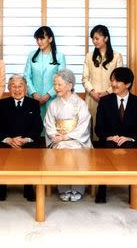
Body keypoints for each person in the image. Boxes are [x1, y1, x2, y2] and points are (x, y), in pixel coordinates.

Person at [94, 67, 137, 203]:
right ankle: (102, 189)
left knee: (130, 146)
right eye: (112, 80)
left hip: (130, 141)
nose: (113, 84)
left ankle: (133, 192)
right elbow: (98, 128)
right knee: (107, 146)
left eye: (117, 81)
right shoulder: (105, 102)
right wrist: (109, 136)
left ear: (128, 84)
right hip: (109, 140)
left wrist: (129, 138)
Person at [0, 74, 43, 201]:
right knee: (0, 146)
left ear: (25, 88)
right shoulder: (2, 103)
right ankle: (2, 187)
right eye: (13, 86)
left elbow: (38, 126)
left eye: (20, 86)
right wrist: (8, 139)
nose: (17, 89)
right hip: (8, 140)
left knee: (33, 147)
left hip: (26, 141)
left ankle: (29, 187)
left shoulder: (34, 103)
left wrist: (26, 139)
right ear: (9, 88)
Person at [44, 69, 92, 202]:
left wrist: (66, 136)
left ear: (70, 86)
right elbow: (49, 123)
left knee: (76, 150)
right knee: (61, 148)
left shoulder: (80, 104)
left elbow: (83, 125)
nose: (56, 88)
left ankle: (78, 188)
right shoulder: (54, 104)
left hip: (77, 140)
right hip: (59, 140)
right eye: (55, 84)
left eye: (59, 84)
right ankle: (63, 188)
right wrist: (54, 135)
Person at [82, 25, 123, 139]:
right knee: (90, 129)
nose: (94, 41)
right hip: (91, 98)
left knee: (108, 127)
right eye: (93, 39)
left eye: (97, 38)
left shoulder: (116, 56)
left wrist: (107, 92)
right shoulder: (89, 56)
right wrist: (92, 92)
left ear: (106, 38)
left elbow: (119, 78)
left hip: (110, 97)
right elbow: (85, 78)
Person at [24, 26, 66, 121]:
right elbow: (26, 76)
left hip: (53, 98)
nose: (39, 42)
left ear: (50, 39)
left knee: (51, 129)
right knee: (34, 129)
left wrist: (48, 95)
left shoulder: (59, 56)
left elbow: (62, 79)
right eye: (37, 39)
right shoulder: (32, 55)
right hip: (34, 99)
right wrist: (34, 93)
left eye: (42, 38)